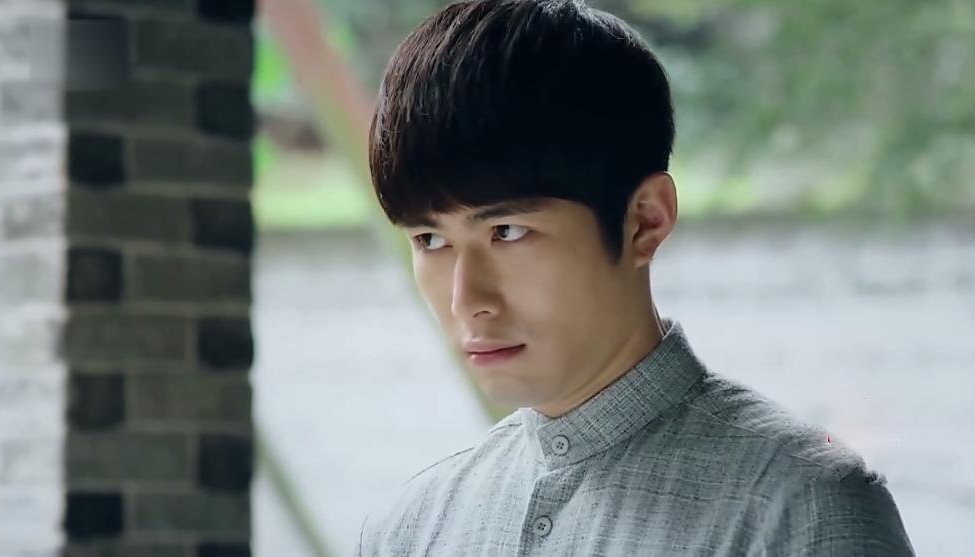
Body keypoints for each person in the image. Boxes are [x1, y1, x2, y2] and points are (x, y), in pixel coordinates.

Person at [355, 0, 916, 554]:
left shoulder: (804, 513)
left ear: (645, 221)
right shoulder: (410, 529)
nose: (466, 300)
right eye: (430, 240)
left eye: (507, 231)